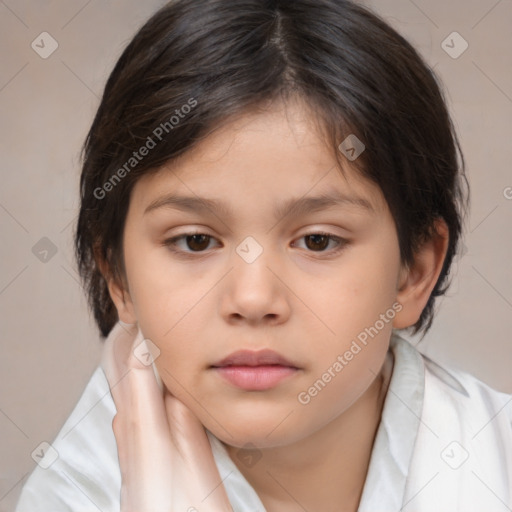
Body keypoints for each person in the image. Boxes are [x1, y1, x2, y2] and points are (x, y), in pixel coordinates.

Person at [15, 0, 512, 510]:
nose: (253, 299)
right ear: (118, 277)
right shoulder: (71, 495)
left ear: (416, 272)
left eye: (318, 240)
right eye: (195, 241)